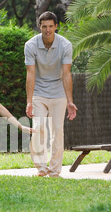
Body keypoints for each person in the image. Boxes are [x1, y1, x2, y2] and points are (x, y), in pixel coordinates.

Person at [24, 11, 78, 178]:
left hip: (58, 92)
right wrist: (29, 101)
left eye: (50, 26)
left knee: (57, 131)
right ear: (39, 27)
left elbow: (67, 73)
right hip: (39, 91)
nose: (47, 30)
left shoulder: (65, 45)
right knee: (39, 128)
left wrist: (70, 101)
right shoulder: (31, 45)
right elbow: (30, 74)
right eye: (44, 26)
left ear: (56, 27)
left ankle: (55, 170)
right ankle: (41, 167)